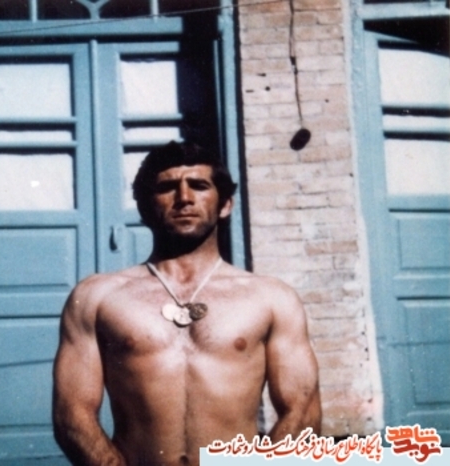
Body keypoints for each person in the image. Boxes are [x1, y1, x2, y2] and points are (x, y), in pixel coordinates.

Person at [52, 141, 321, 466]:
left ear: (225, 205)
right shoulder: (97, 297)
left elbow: (302, 410)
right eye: (167, 187)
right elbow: (71, 415)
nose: (184, 198)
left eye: (199, 185)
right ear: (144, 207)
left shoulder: (271, 297)